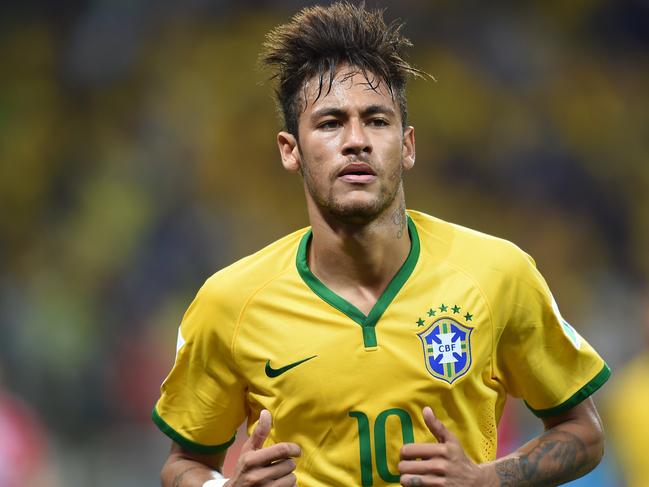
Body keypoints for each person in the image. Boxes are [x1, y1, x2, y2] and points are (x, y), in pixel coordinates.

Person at [152, 3, 610, 486]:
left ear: (407, 144)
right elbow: (183, 464)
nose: (356, 141)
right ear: (291, 150)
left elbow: (584, 432)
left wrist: (488, 480)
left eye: (376, 120)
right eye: (330, 123)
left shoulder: (498, 273)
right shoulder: (230, 303)